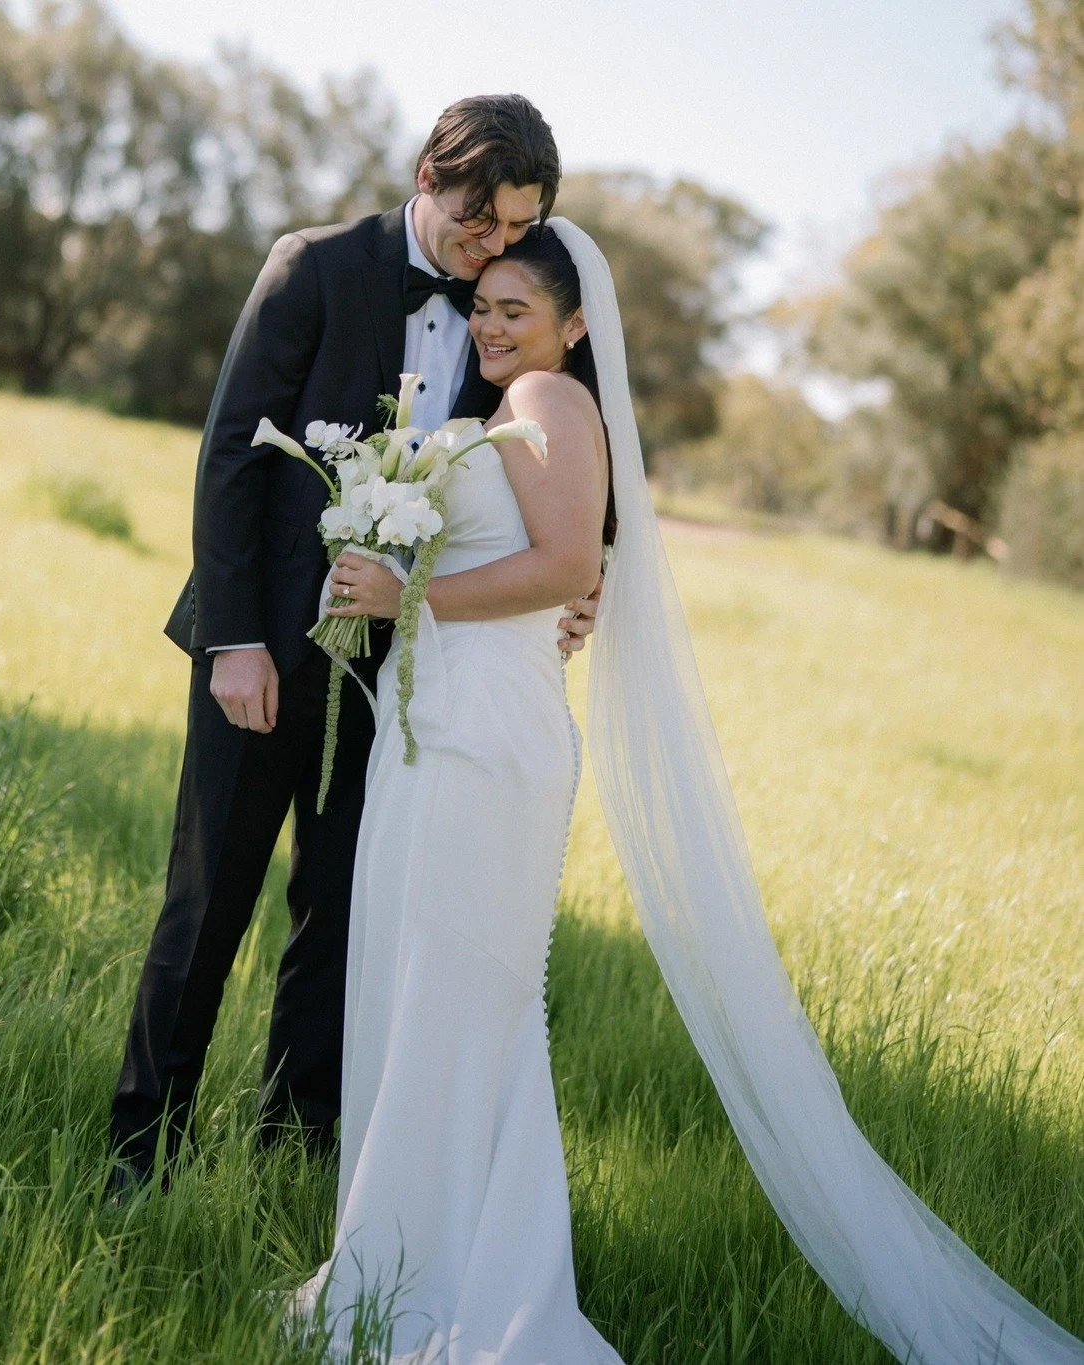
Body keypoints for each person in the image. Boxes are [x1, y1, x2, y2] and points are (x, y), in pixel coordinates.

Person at [289, 222, 1084, 1363]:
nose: (493, 324)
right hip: (440, 726)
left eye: (518, 308)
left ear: (572, 324)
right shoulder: (513, 411)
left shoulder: (553, 403)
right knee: (429, 1000)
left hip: (485, 742)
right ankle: (397, 1258)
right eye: (485, 305)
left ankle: (445, 1283)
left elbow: (567, 567)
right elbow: (552, 560)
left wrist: (403, 593)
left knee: (461, 1007)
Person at [107, 95, 598, 1190]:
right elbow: (234, 456)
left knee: (341, 914)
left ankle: (295, 1148)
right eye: (483, 217)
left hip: (406, 675)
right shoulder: (314, 266)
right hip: (262, 656)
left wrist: (585, 580)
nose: (496, 245)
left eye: (518, 226)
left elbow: (559, 468)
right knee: (208, 901)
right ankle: (141, 1151)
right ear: (430, 174)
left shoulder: (506, 316)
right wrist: (234, 640)